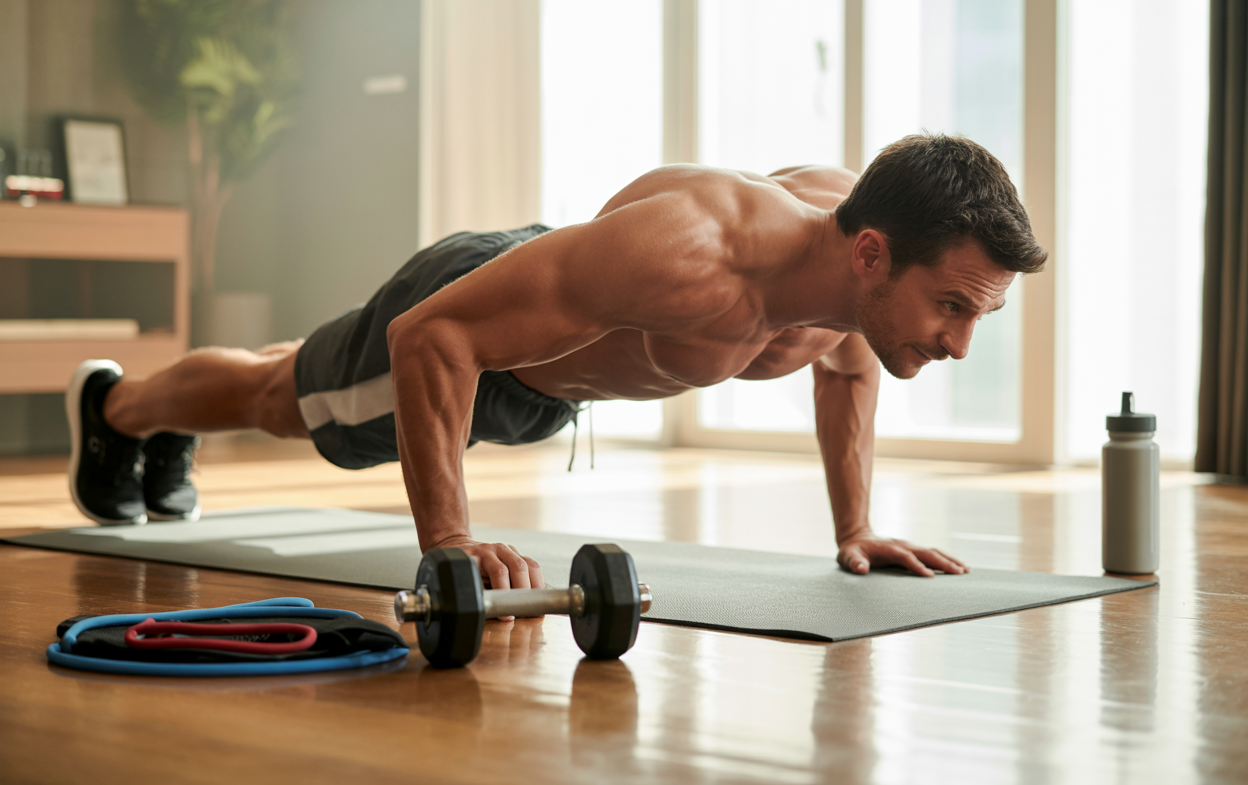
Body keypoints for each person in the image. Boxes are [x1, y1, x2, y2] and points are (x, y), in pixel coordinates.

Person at [67, 133, 1047, 591]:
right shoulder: (697, 253)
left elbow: (846, 366)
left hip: (553, 382)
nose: (959, 342)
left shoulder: (850, 262)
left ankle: (146, 427)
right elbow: (432, 338)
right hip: (480, 316)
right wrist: (447, 543)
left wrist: (858, 524)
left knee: (287, 373)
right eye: (952, 307)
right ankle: (116, 413)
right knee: (283, 397)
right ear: (872, 254)